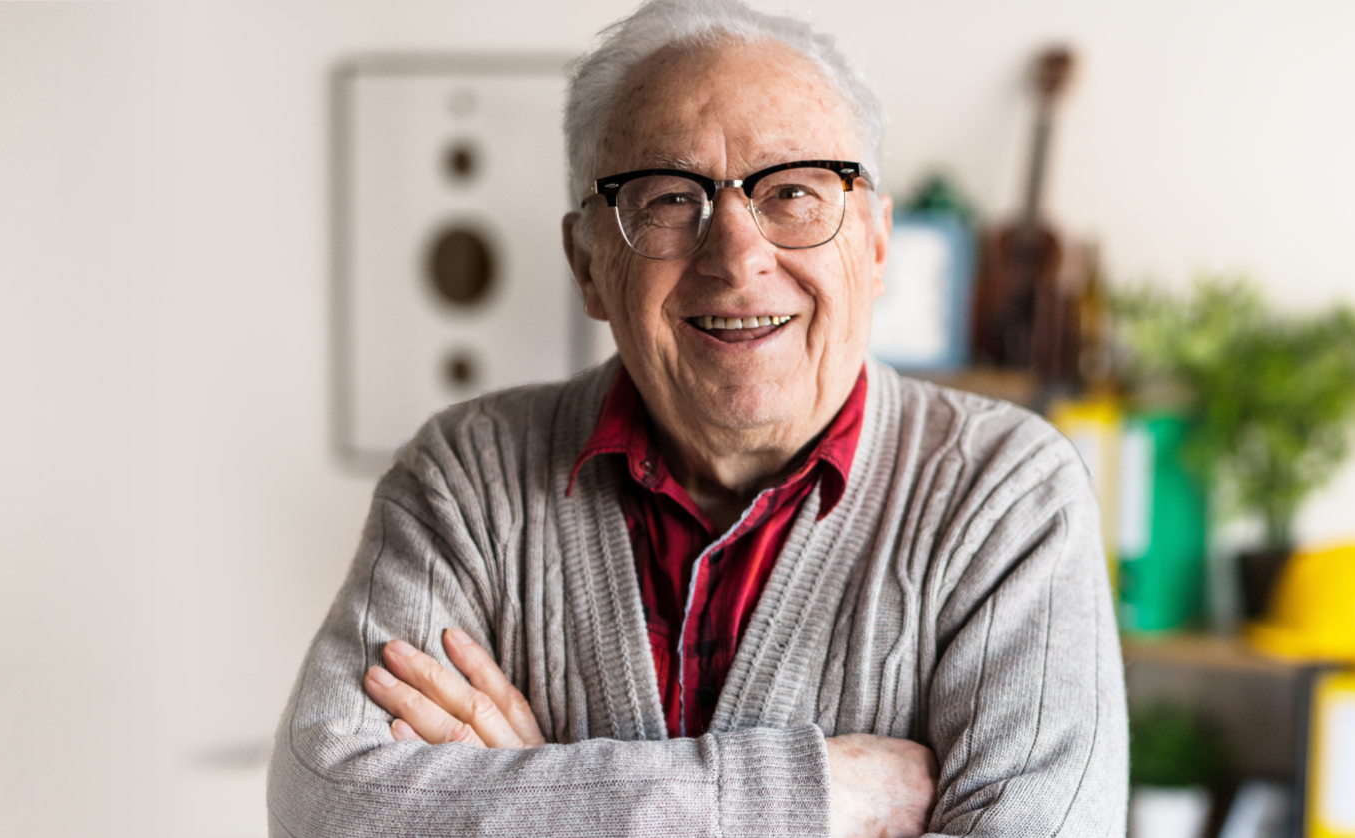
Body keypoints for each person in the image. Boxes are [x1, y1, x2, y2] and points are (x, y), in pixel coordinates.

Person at [269, 1, 1126, 835]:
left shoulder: (1008, 493)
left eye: (793, 192)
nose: (738, 257)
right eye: (670, 199)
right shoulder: (465, 477)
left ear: (874, 243)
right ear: (588, 263)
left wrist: (534, 798)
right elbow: (324, 810)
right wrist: (818, 799)